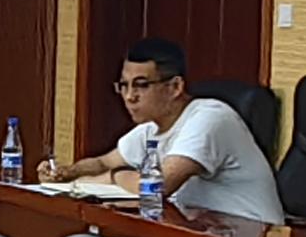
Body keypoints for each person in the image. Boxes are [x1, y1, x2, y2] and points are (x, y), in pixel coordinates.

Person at [94, 37, 282, 222]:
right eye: (124, 85)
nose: (129, 96)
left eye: (141, 85)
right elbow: (103, 163)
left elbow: (156, 188)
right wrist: (77, 178)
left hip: (250, 232)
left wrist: (116, 176)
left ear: (175, 87)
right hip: (196, 227)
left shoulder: (210, 117)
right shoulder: (150, 128)